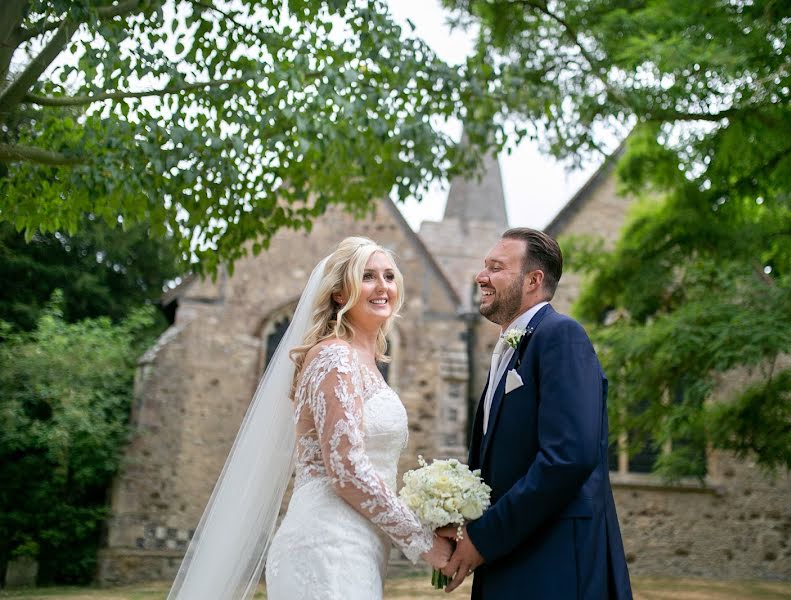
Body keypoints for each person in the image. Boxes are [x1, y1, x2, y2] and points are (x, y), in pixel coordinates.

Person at [167, 237, 451, 600]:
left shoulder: (367, 364)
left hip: (360, 543)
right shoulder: (334, 356)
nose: (383, 287)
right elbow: (346, 468)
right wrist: (422, 542)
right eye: (367, 276)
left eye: (389, 276)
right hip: (327, 543)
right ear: (338, 293)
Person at [439, 228, 632, 599]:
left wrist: (484, 537)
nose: (481, 277)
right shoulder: (513, 347)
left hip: (552, 566)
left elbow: (568, 458)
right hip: (513, 559)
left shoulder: (561, 336)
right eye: (484, 267)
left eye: (495, 268)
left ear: (533, 280)